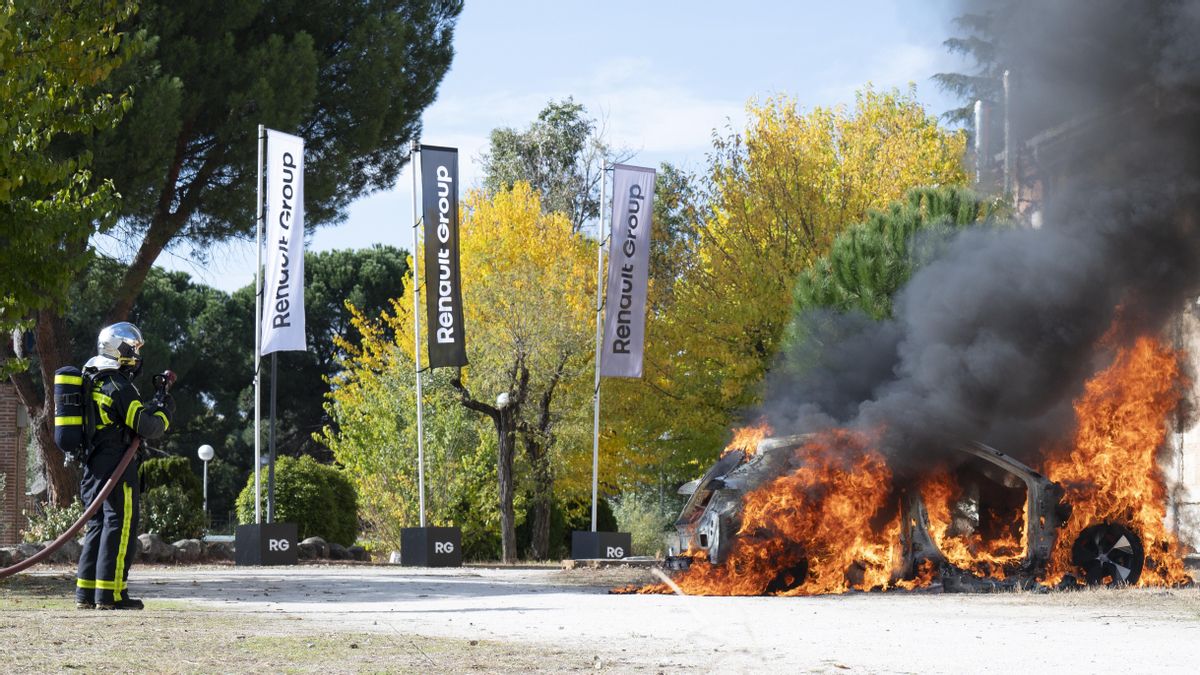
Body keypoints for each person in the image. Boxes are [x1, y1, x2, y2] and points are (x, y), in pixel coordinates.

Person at [75, 322, 174, 610]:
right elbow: (148, 427)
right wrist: (165, 410)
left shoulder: (92, 380)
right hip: (117, 466)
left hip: (93, 466)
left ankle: (86, 594)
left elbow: (126, 419)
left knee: (97, 525)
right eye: (133, 349)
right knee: (120, 524)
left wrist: (152, 405)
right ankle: (112, 595)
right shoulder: (119, 386)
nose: (136, 356)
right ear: (119, 350)